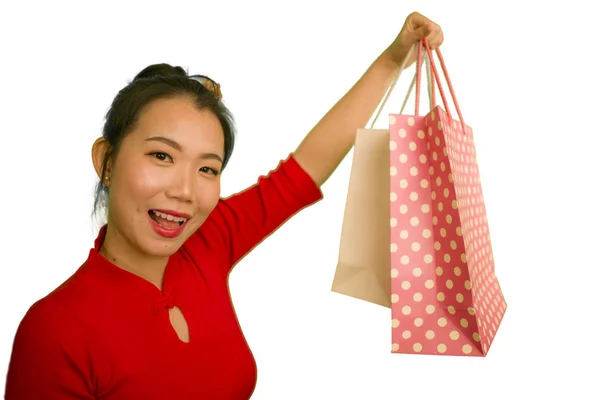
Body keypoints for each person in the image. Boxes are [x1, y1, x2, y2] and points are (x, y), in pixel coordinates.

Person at [4, 11, 443, 400]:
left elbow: (306, 167)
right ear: (107, 160)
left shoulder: (208, 243)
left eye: (207, 169)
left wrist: (393, 59)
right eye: (162, 156)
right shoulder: (53, 332)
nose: (184, 191)